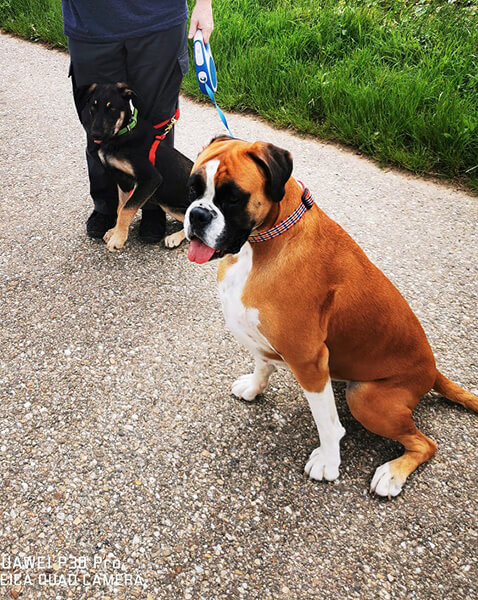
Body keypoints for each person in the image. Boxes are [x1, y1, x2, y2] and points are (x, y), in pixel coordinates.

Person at [61, 0, 214, 242]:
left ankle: (154, 207)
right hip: (90, 23)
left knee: (158, 125)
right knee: (98, 124)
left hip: (159, 19)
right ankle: (106, 205)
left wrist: (204, 5)